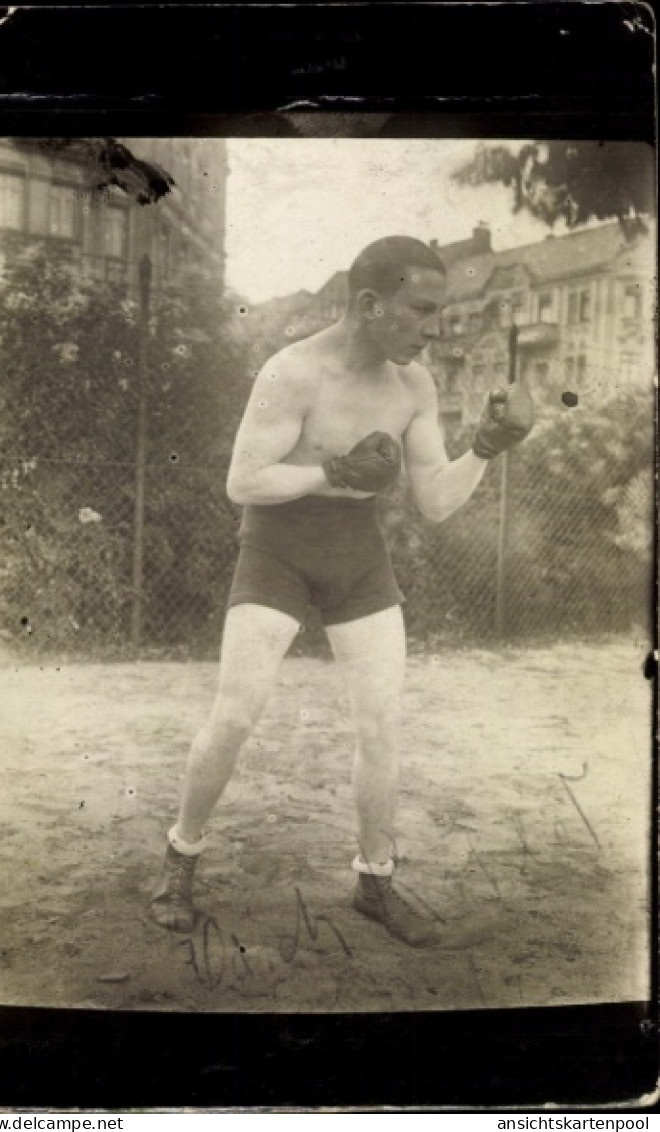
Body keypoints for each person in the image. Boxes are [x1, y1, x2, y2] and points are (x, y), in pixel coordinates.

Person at [148, 235, 533, 947]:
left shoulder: (415, 386)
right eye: (420, 309)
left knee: (382, 723)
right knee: (236, 713)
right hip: (278, 549)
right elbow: (243, 482)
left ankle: (375, 881)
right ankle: (181, 858)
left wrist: (484, 447)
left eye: (438, 312)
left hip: (358, 554)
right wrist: (334, 473)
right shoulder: (294, 372)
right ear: (369, 303)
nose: (433, 327)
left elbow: (436, 502)